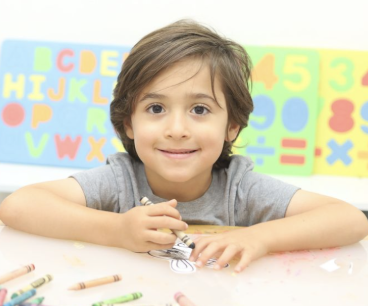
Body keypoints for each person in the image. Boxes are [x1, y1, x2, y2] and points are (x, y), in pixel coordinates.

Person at [0, 20, 367, 274]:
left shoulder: (241, 188)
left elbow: (350, 219)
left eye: (200, 109)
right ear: (129, 122)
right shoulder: (119, 180)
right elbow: (18, 206)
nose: (177, 129)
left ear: (232, 125)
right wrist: (116, 231)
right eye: (156, 108)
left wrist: (261, 237)